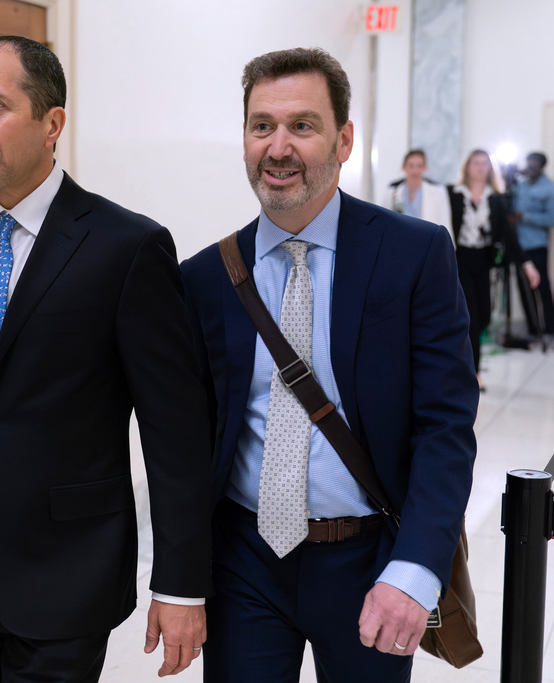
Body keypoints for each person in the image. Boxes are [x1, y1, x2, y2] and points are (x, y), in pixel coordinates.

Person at [0, 35, 212, 682]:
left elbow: (176, 434)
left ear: (52, 123)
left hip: (66, 572)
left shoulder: (126, 248)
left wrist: (182, 583)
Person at [180, 47, 477, 682]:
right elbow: (186, 441)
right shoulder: (205, 278)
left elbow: (445, 426)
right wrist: (178, 581)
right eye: (262, 126)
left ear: (343, 140)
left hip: (371, 560)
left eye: (302, 126)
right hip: (244, 564)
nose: (278, 147)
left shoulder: (413, 254)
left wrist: (417, 567)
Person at [449, 150, 540, 388]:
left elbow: (508, 236)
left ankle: (466, 365)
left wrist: (527, 264)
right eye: (475, 163)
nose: (480, 167)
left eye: (484, 163)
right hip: (459, 260)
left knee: (484, 316)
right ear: (467, 167)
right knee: (471, 317)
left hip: (483, 260)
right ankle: (473, 373)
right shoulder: (454, 195)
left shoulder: (495, 199)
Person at [509, 151, 554, 340]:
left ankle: (550, 329)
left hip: (536, 244)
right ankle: (533, 329)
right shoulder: (520, 184)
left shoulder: (549, 188)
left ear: (542, 166)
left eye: (534, 163)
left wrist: (524, 217)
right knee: (523, 288)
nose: (530, 166)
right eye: (529, 162)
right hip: (519, 246)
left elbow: (550, 218)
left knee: (542, 286)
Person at [385, 149, 453, 241]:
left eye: (419, 166)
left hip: (427, 242)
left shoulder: (438, 191)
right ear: (404, 167)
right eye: (411, 165)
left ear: (425, 168)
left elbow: (445, 222)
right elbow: (386, 220)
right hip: (400, 241)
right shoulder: (394, 191)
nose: (415, 170)